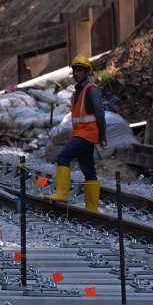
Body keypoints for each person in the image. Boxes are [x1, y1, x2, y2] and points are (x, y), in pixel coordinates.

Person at [46, 54, 107, 211]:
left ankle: (62, 193)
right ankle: (92, 207)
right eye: (75, 70)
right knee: (88, 169)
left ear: (87, 72)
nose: (77, 73)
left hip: (87, 133)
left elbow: (100, 113)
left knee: (63, 156)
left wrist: (103, 134)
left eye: (80, 70)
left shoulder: (91, 90)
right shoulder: (76, 93)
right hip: (81, 133)